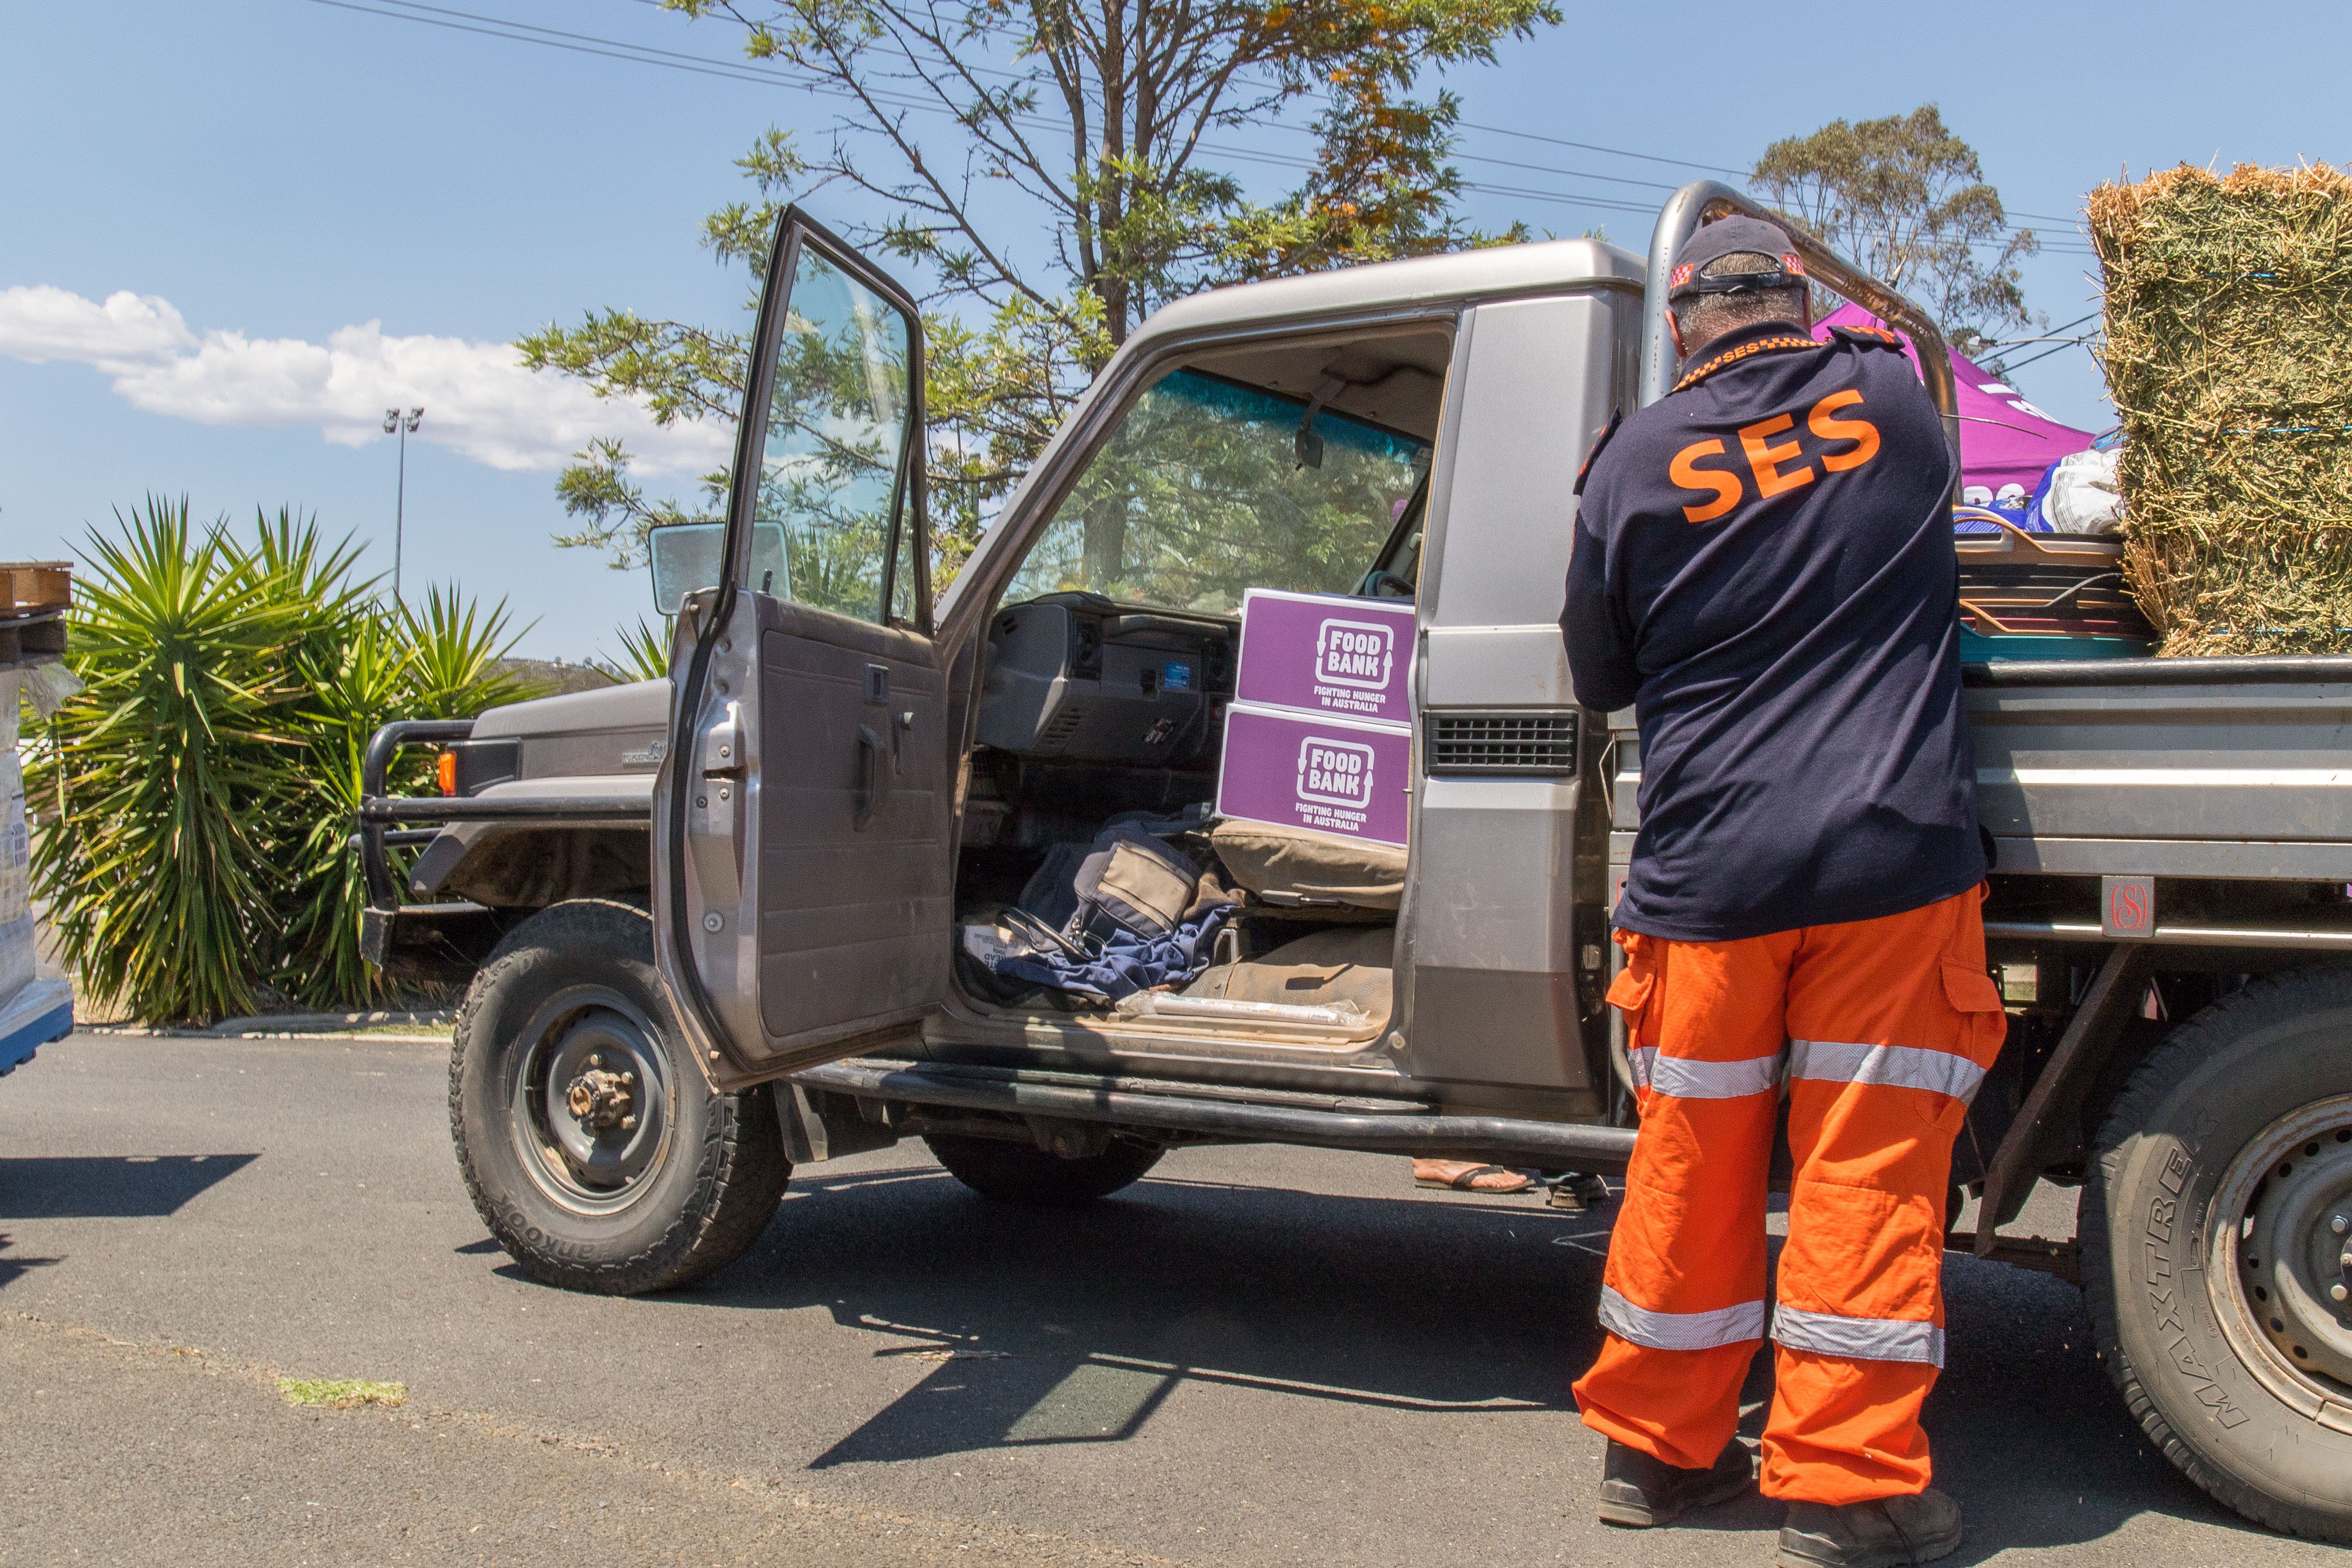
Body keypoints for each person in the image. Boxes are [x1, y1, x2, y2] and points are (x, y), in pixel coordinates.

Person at [1559, 215, 2004, 1568]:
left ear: (1684, 326)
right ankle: (1847, 1489)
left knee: (1689, 1168)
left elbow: (1600, 676)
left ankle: (1654, 1456)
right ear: (1802, 305)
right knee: (1862, 1173)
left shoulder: (1631, 461)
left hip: (1707, 878)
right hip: (1888, 862)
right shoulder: (1889, 401)